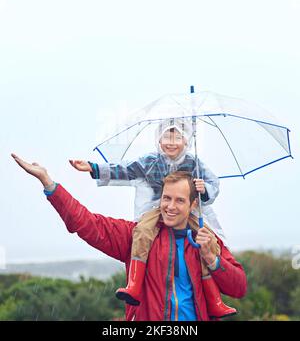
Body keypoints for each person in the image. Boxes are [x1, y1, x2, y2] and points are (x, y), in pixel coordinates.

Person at [11, 154, 247, 321]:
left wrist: (213, 260)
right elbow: (86, 223)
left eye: (179, 200)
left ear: (193, 204)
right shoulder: (137, 235)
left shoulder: (207, 239)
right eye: (166, 198)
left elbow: (239, 287)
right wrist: (49, 184)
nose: (170, 206)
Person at [69, 118, 235, 317]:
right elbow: (125, 169)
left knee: (207, 241)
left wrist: (203, 189)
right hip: (157, 210)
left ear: (186, 141)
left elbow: (213, 185)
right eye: (166, 136)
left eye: (177, 137)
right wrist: (94, 168)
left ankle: (216, 301)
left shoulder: (195, 163)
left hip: (188, 212)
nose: (171, 142)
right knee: (142, 232)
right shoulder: (149, 161)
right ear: (158, 139)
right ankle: (134, 284)